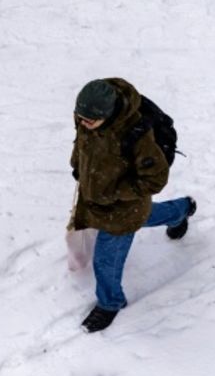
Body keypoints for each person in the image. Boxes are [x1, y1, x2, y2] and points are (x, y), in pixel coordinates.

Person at [70, 77, 197, 333]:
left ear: (107, 115)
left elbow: (155, 178)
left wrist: (115, 192)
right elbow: (83, 143)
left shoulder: (136, 137)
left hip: (121, 211)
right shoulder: (89, 116)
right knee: (147, 215)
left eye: (88, 121)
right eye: (79, 118)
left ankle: (110, 303)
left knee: (106, 261)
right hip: (103, 200)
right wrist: (77, 166)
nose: (82, 124)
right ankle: (182, 209)